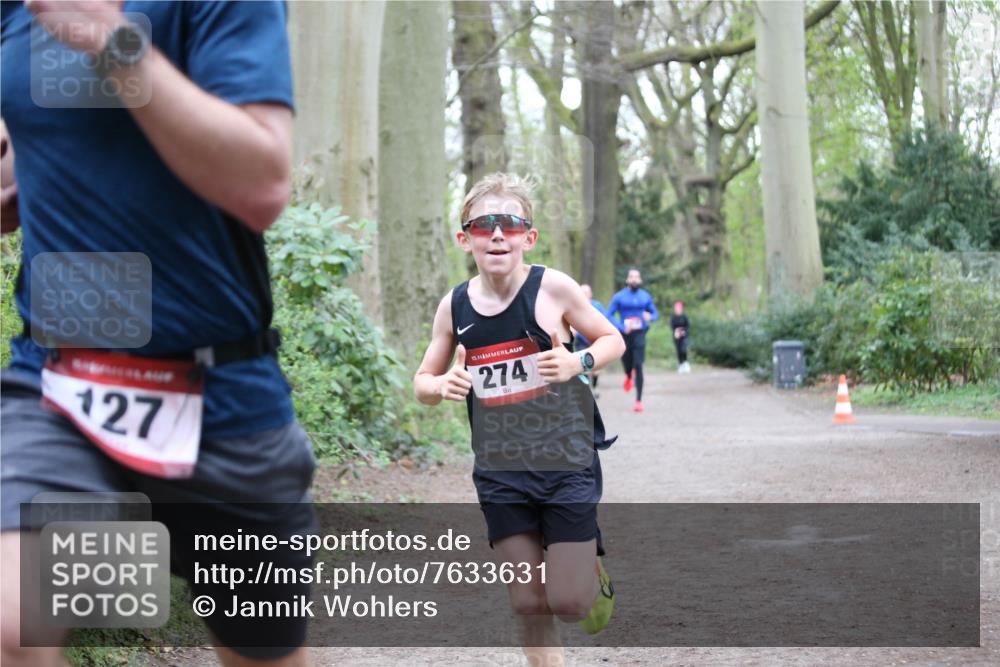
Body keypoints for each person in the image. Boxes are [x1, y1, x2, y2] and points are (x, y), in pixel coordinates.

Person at [2, 2, 317, 665]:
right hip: (58, 387)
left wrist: (114, 44)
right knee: (11, 624)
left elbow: (262, 181)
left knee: (263, 654)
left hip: (222, 401)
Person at [414, 173, 625, 666]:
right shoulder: (455, 306)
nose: (497, 235)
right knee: (528, 602)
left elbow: (611, 339)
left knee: (569, 604)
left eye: (510, 224)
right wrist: (441, 386)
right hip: (500, 471)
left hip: (565, 463)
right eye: (483, 225)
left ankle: (588, 574)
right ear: (464, 238)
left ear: (528, 237)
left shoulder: (553, 288)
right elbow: (422, 380)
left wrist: (579, 362)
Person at [607, 268, 659, 412]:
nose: (634, 279)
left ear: (640, 280)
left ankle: (638, 401)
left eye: (637, 277)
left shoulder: (645, 296)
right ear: (627, 280)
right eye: (632, 276)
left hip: (640, 334)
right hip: (625, 334)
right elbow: (609, 315)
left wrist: (651, 317)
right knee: (627, 362)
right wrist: (621, 326)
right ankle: (629, 375)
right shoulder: (619, 297)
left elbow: (655, 313)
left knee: (639, 364)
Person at [571, 283, 613, 397]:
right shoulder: (573, 305)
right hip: (581, 340)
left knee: (595, 368)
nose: (584, 294)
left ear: (591, 294)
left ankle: (595, 387)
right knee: (582, 366)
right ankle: (586, 391)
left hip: (595, 340)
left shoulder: (597, 306)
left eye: (586, 292)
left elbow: (606, 321)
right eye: (581, 292)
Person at [671, 301, 691, 373]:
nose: (677, 310)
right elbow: (672, 327)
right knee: (678, 351)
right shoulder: (673, 317)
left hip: (684, 336)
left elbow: (688, 326)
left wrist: (684, 331)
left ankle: (686, 363)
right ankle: (681, 364)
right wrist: (676, 333)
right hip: (676, 337)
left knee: (683, 349)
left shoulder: (684, 317)